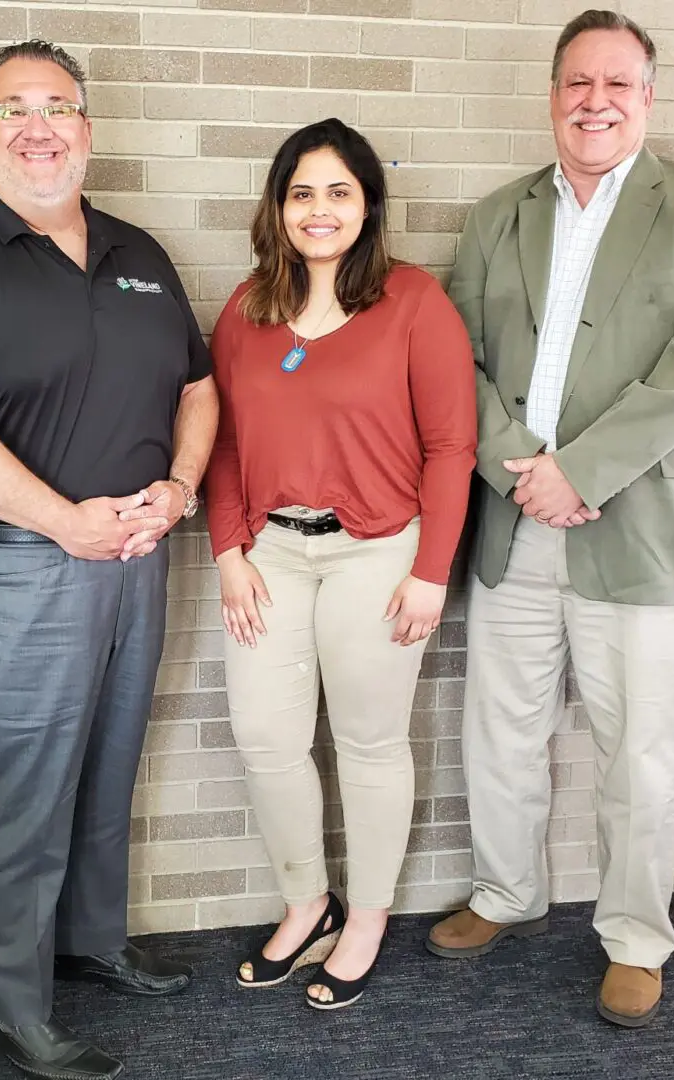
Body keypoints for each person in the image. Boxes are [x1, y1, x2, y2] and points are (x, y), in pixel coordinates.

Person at [0, 39, 218, 1080]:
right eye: (11, 108)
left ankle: (92, 942)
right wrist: (65, 521)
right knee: (26, 784)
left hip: (138, 558)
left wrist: (182, 491)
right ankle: (16, 1008)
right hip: (18, 566)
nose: (37, 127)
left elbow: (198, 387)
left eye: (56, 105)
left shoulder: (139, 252)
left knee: (108, 762)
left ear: (88, 128)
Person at [425, 9, 674, 1029]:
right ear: (554, 94)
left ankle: (635, 938)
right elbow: (456, 361)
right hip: (516, 520)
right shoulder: (496, 216)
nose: (595, 101)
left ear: (646, 99)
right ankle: (508, 894)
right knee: (502, 729)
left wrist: (583, 470)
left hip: (639, 528)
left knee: (644, 751)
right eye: (578, 83)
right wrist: (522, 468)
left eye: (617, 84)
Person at [206, 119, 477, 1011]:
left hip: (378, 551)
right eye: (300, 193)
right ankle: (305, 902)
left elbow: (449, 445)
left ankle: (364, 917)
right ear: (277, 207)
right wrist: (230, 551)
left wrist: (431, 570)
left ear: (367, 205)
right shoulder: (246, 312)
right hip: (271, 553)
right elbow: (225, 446)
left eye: (337, 192)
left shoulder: (409, 301)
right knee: (264, 736)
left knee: (367, 744)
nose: (318, 211)